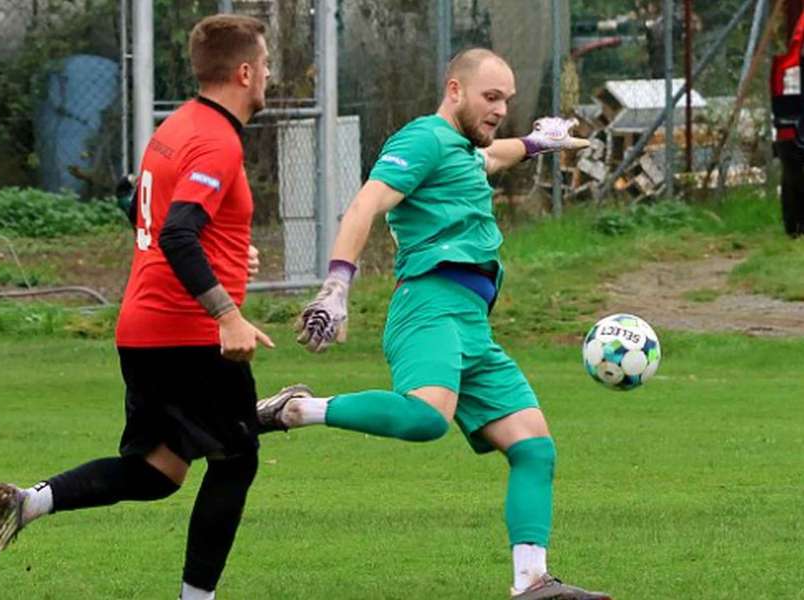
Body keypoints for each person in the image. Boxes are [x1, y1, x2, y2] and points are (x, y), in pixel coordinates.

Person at [258, 48, 611, 600]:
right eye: (490, 97)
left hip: (471, 323)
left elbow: (492, 156)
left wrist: (539, 142)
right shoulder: (423, 138)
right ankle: (298, 410)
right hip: (429, 305)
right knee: (426, 419)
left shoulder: (465, 149)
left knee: (534, 447)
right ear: (454, 90)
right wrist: (336, 286)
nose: (500, 109)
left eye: (506, 99)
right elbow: (366, 204)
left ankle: (531, 582)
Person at [0, 14, 273, 600]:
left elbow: (141, 210)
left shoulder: (176, 127)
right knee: (236, 460)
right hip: (188, 335)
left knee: (159, 471)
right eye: (264, 65)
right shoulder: (218, 141)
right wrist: (227, 313)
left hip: (142, 331)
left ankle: (28, 503)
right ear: (243, 72)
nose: (268, 75)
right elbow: (177, 233)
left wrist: (228, 258)